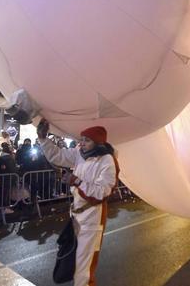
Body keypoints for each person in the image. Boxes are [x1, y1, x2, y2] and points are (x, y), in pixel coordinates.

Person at [37, 119, 118, 286]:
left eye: (87, 140)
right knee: (75, 261)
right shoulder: (79, 153)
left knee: (84, 266)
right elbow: (58, 155)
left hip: (93, 217)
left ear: (98, 143)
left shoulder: (107, 160)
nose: (82, 143)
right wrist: (43, 138)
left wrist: (77, 181)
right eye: (81, 139)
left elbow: (103, 192)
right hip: (76, 215)